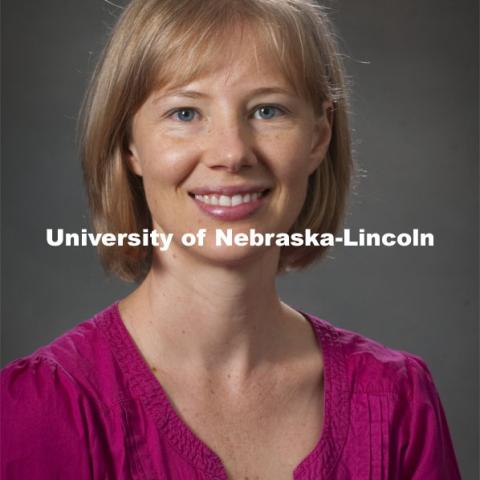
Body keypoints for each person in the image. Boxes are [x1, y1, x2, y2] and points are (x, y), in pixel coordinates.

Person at [1, 0, 461, 478]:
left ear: (318, 138)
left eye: (267, 110)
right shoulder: (41, 407)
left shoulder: (398, 401)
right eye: (184, 113)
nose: (231, 153)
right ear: (129, 144)